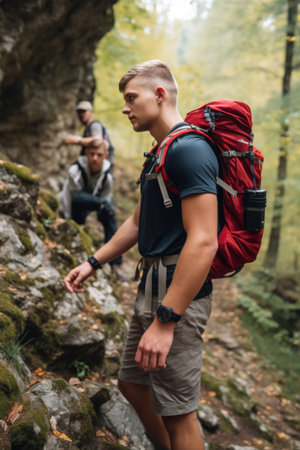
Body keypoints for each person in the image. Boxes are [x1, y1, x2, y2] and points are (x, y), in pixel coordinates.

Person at [64, 60, 219, 450]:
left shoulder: (190, 150)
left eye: (132, 97)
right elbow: (136, 222)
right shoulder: (161, 153)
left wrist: (166, 322)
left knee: (179, 413)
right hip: (150, 288)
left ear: (160, 94)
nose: (125, 107)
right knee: (131, 383)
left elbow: (203, 241)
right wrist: (93, 262)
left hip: (176, 299)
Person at [59, 138, 126, 281]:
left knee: (109, 212)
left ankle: (115, 263)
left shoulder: (107, 176)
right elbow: (73, 198)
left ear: (106, 156)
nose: (95, 158)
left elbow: (106, 199)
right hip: (72, 207)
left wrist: (104, 209)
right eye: (92, 154)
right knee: (83, 200)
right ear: (87, 153)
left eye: (99, 155)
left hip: (95, 201)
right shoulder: (75, 170)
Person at [64, 100, 115, 165]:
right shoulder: (89, 128)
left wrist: (76, 140)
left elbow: (98, 140)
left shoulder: (94, 125)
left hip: (102, 165)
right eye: (79, 112)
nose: (81, 114)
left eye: (84, 111)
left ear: (91, 112)